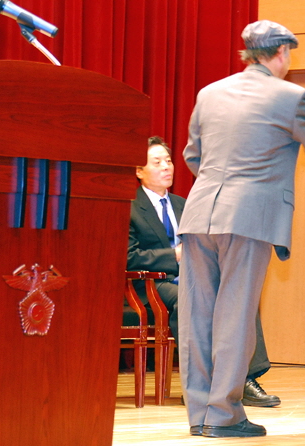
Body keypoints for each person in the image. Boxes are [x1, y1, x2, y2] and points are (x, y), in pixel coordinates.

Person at [177, 20, 305, 438]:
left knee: (197, 318)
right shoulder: (289, 96)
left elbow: (192, 156)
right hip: (249, 219)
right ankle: (223, 415)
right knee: (235, 316)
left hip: (198, 215)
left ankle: (200, 415)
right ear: (282, 53)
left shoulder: (209, 93)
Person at [126, 136, 280, 407]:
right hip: (150, 285)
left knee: (238, 291)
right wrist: (174, 255)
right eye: (157, 162)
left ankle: (245, 378)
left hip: (193, 275)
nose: (166, 167)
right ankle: (199, 384)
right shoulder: (129, 206)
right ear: (139, 171)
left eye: (168, 161)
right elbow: (129, 257)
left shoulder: (183, 204)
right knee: (191, 299)